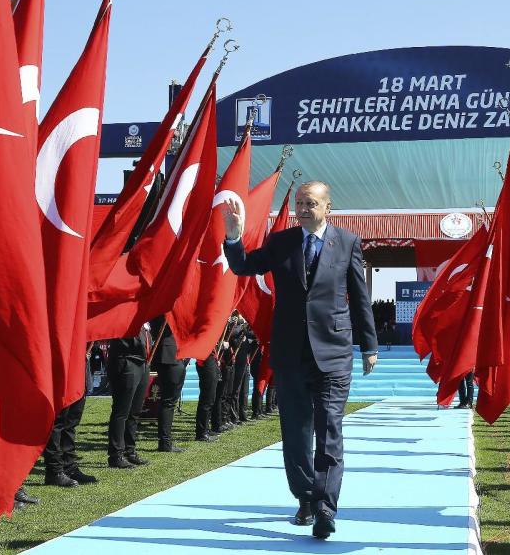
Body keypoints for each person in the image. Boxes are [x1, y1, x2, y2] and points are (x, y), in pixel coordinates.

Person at [223, 180, 378, 540]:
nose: (303, 209)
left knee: (329, 431)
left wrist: (369, 346)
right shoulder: (282, 242)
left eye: (310, 203)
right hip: (291, 354)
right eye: (299, 203)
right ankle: (306, 497)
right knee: (296, 434)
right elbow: (245, 266)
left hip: (334, 353)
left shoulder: (348, 242)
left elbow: (360, 297)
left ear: (328, 206)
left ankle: (326, 509)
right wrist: (234, 238)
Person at [43, 350, 96, 487]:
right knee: (59, 421)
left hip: (79, 363)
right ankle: (54, 470)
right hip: (63, 361)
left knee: (72, 420)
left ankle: (69, 466)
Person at [107, 327, 152, 468]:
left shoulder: (147, 323)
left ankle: (130, 450)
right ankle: (116, 454)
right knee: (122, 411)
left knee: (135, 411)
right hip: (126, 360)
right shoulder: (127, 312)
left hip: (142, 362)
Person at [151, 317, 186, 453]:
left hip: (170, 355)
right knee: (168, 402)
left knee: (168, 402)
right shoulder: (164, 311)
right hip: (170, 356)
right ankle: (165, 442)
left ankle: (165, 441)